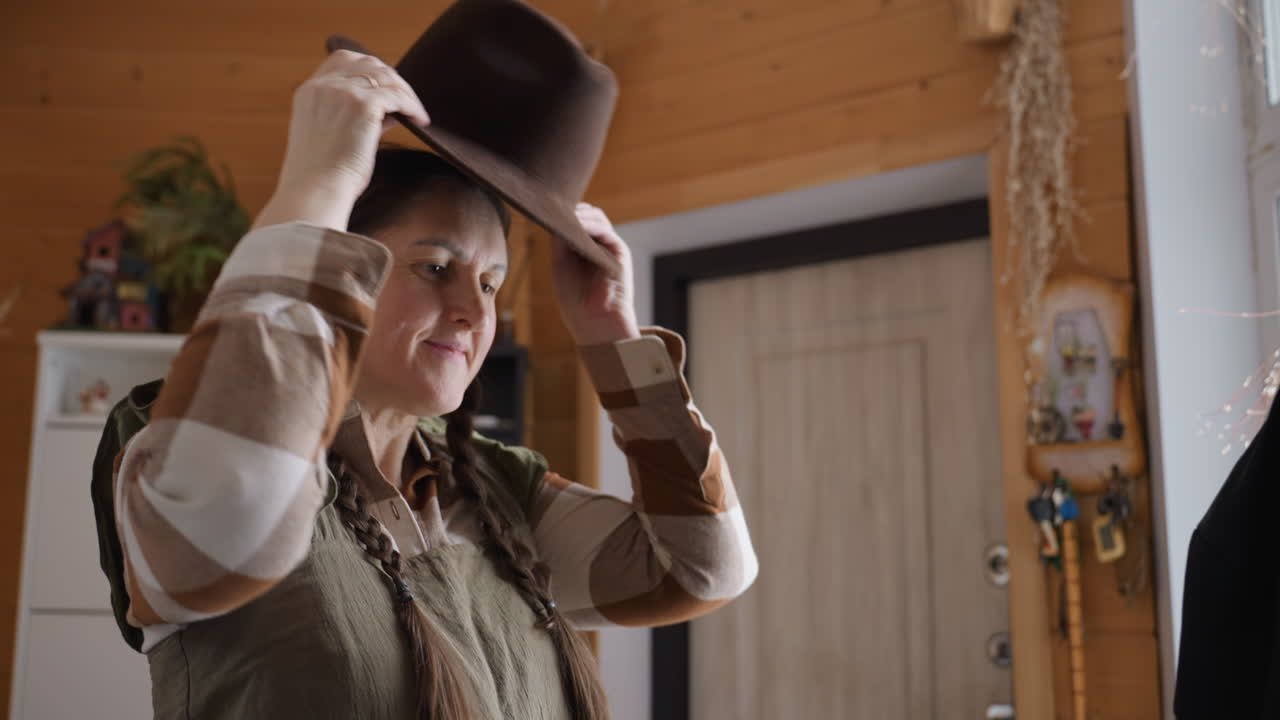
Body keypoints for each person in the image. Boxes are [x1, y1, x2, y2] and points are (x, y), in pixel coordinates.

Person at [90, 31, 756, 720]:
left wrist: (610, 334)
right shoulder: (172, 443)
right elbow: (234, 522)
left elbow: (700, 568)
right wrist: (316, 186)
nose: (472, 311)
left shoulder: (499, 492)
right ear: (340, 259)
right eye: (435, 267)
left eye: (492, 284)